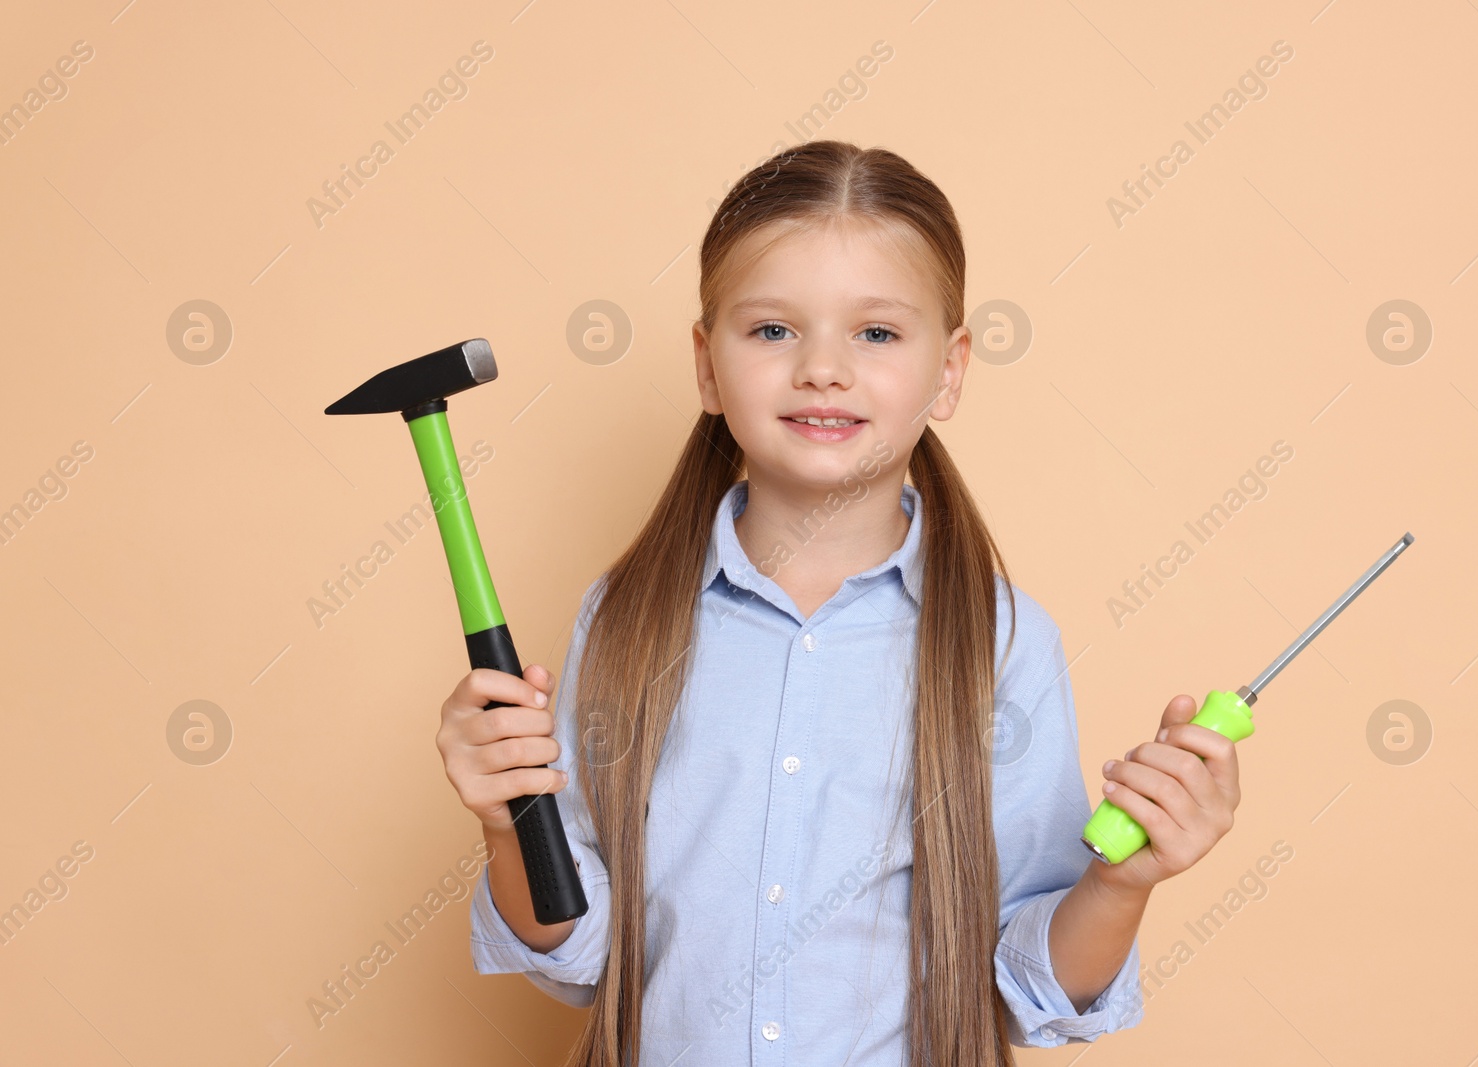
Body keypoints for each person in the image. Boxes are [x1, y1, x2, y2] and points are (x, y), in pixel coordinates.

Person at [435, 139, 1242, 1066]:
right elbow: (578, 953)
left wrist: (1123, 883)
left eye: (878, 332)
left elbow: (1029, 990)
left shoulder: (1004, 641)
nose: (823, 367)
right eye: (773, 330)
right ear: (706, 366)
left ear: (949, 371)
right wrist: (508, 821)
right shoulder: (622, 622)